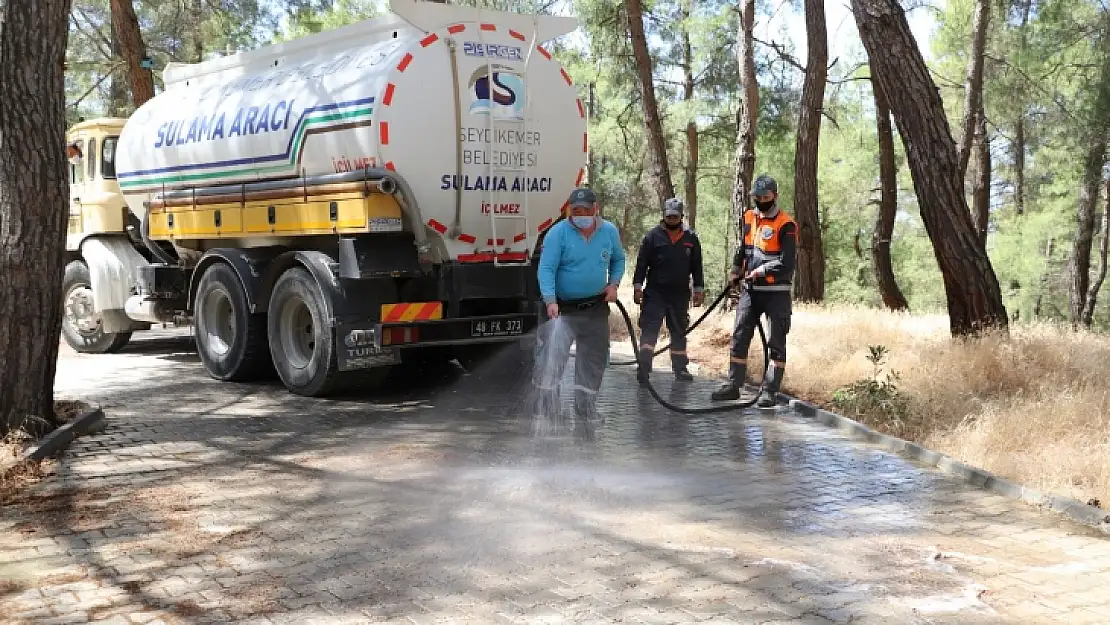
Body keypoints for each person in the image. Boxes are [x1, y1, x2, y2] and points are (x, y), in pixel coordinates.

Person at [532, 187, 626, 419]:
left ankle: (585, 407)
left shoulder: (609, 232)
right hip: (563, 309)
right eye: (576, 210)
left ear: (596, 209)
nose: (581, 214)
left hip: (595, 308)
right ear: (568, 211)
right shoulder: (558, 234)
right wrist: (550, 300)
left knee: (593, 360)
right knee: (552, 358)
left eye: (586, 209)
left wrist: (614, 284)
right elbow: (546, 269)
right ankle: (547, 407)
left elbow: (619, 259)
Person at [711, 174, 797, 408]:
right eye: (757, 197)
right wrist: (735, 271)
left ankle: (770, 390)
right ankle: (733, 385)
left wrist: (761, 271)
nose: (761, 201)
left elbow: (787, 262)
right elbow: (743, 247)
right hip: (750, 291)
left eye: (765, 197)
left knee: (776, 341)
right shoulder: (749, 217)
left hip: (776, 293)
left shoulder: (786, 225)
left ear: (775, 196)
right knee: (739, 335)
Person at [632, 197, 705, 382]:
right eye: (669, 216)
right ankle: (644, 368)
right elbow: (641, 264)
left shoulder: (691, 238)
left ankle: (680, 368)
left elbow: (697, 266)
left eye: (675, 216)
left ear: (681, 216)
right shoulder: (652, 237)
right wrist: (637, 287)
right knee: (649, 330)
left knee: (679, 331)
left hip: (680, 295)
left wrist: (698, 289)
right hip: (655, 293)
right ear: (664, 215)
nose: (672, 219)